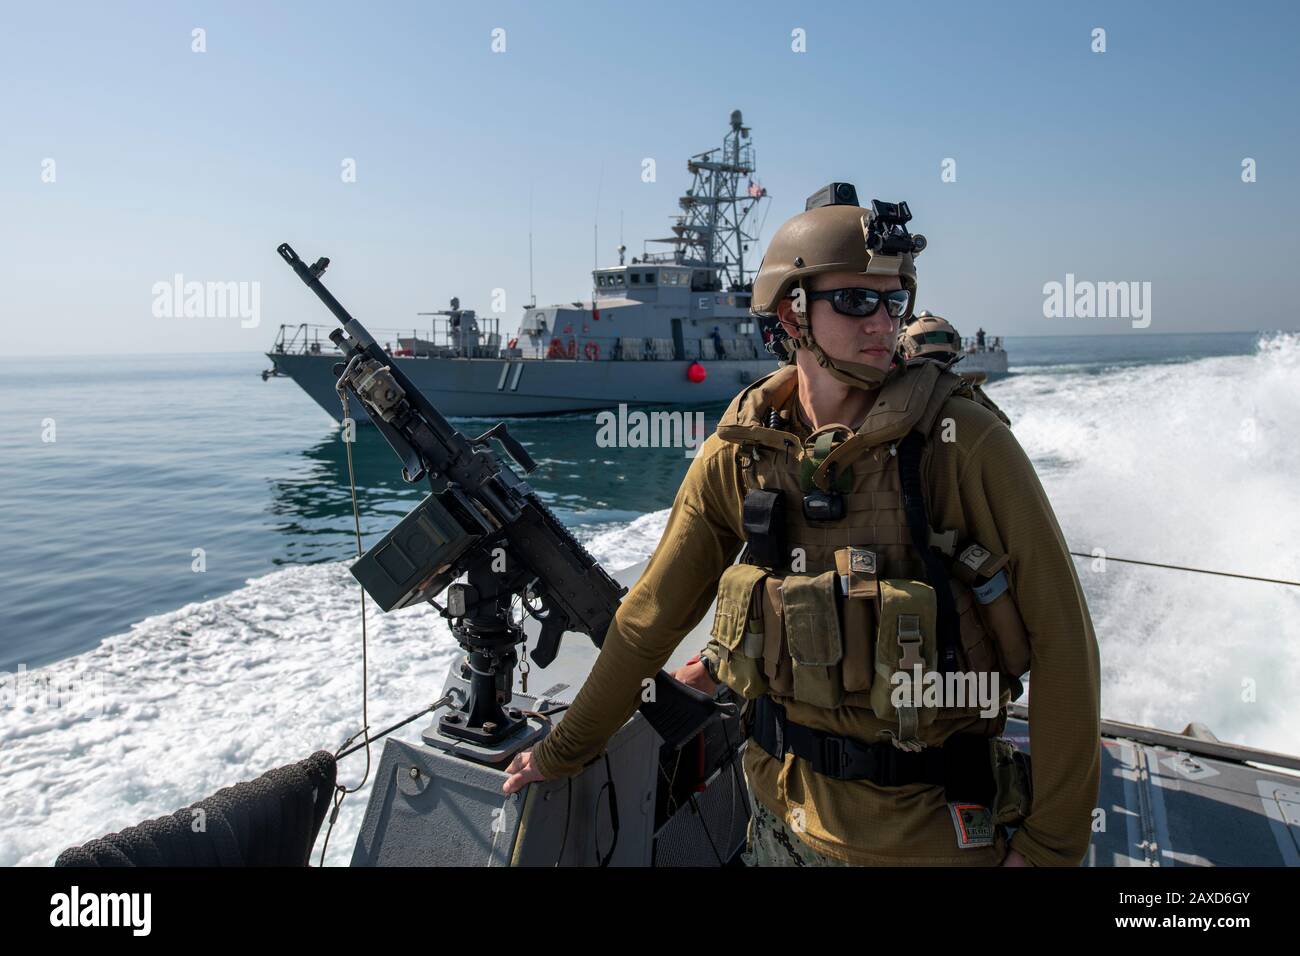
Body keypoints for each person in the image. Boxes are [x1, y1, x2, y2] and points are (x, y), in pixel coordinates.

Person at [503, 184, 1100, 868]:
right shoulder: (743, 450)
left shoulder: (962, 443)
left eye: (893, 300)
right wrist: (563, 750)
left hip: (927, 835)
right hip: (779, 817)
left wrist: (1052, 845)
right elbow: (649, 620)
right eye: (854, 300)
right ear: (792, 312)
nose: (883, 323)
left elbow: (1064, 645)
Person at [899, 310, 1011, 425]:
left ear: (906, 354)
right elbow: (1003, 425)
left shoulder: (896, 395)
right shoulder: (969, 394)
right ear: (955, 349)